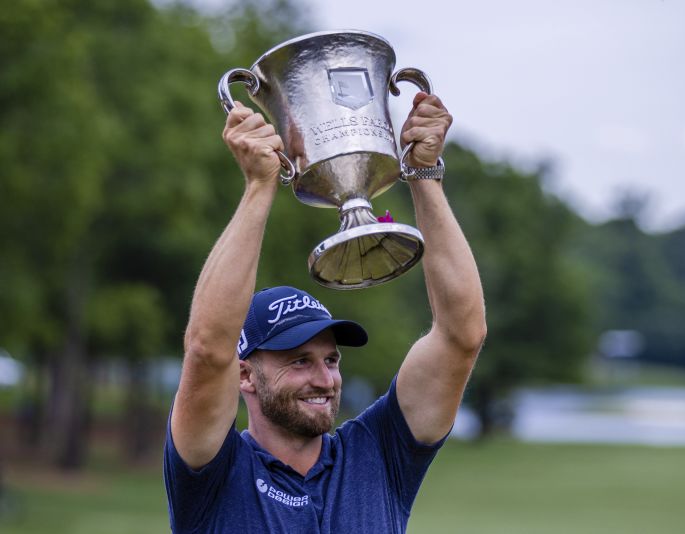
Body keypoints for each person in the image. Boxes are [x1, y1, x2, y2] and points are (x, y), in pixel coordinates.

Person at [163, 91, 486, 533]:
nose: (324, 379)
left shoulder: (378, 454)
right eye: (298, 361)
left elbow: (461, 336)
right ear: (244, 376)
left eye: (330, 359)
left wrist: (423, 172)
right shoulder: (211, 471)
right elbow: (207, 348)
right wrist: (260, 186)